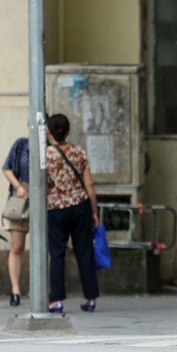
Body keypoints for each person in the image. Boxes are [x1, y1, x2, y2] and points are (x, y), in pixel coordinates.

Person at [44, 114, 100, 314]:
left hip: (55, 208)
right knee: (84, 251)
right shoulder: (78, 152)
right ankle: (91, 298)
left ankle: (56, 300)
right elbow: (89, 185)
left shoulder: (45, 156)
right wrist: (94, 210)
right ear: (68, 131)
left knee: (57, 253)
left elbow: (43, 186)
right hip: (80, 206)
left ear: (48, 132)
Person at [1, 137, 29, 307]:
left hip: (46, 197)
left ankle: (46, 289)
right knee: (16, 246)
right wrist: (18, 186)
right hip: (21, 197)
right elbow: (6, 168)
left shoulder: (51, 147)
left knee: (48, 247)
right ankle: (15, 290)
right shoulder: (21, 145)